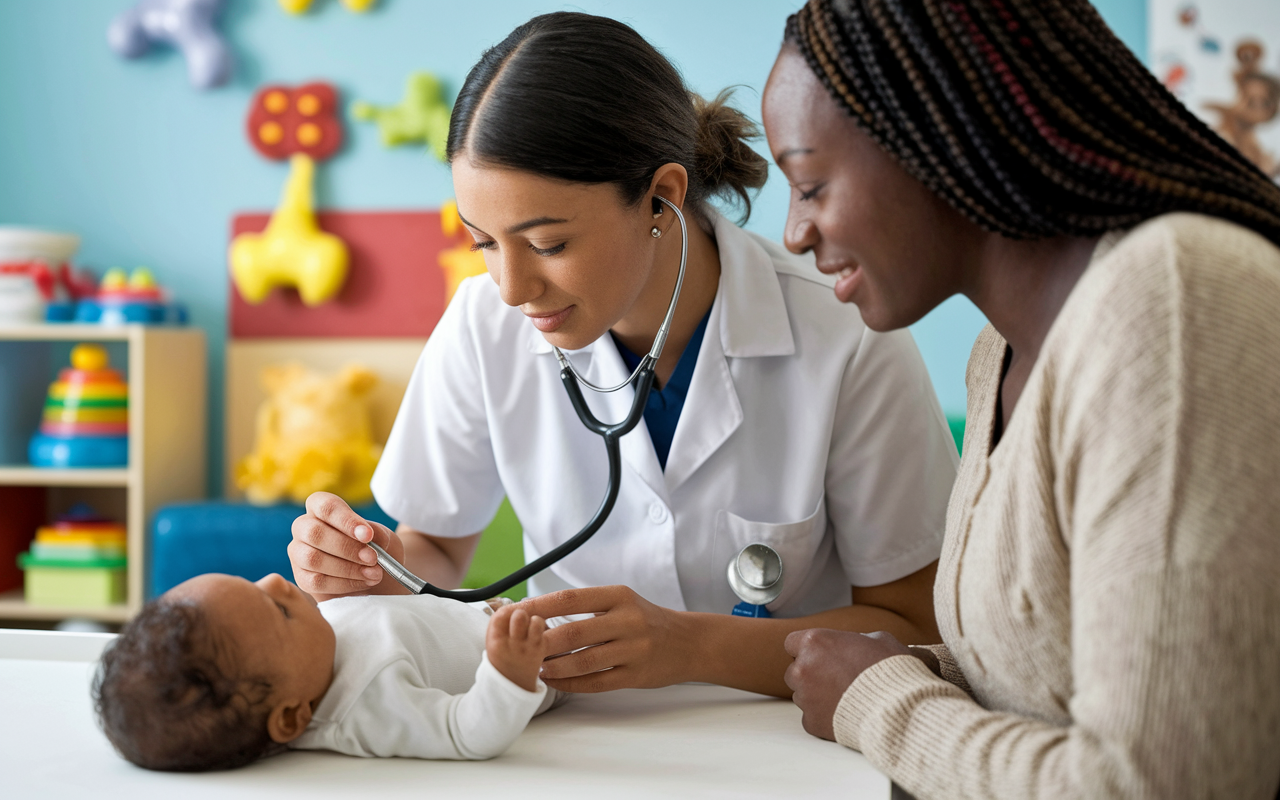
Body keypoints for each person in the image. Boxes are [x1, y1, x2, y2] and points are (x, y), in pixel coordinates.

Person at [288, 11, 960, 698]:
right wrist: (380, 568)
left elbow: (914, 623)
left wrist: (692, 646)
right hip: (573, 740)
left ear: (661, 198)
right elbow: (436, 548)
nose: (512, 288)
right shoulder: (480, 327)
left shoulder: (844, 330)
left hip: (792, 739)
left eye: (548, 244)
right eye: (484, 243)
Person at [766, 1, 1280, 798]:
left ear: (935, 140)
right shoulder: (995, 354)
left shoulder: (1172, 304)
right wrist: (913, 669)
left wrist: (880, 701)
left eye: (810, 185)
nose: (795, 231)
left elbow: (1165, 783)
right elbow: (1040, 675)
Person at [92, 573, 559, 770]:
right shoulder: (366, 704)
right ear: (292, 716)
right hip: (546, 657)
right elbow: (466, 734)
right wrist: (509, 673)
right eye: (279, 610)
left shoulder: (307, 655)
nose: (277, 581)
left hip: (496, 614)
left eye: (253, 582)